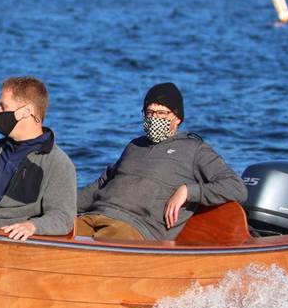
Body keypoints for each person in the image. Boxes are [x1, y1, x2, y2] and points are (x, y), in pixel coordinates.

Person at [75, 82, 247, 242]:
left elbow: (236, 187)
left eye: (162, 113)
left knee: (91, 253)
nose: (154, 118)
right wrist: (61, 203)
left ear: (177, 118)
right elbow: (102, 184)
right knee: (56, 232)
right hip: (94, 215)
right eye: (149, 113)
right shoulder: (134, 145)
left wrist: (189, 191)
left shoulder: (195, 149)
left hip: (134, 228)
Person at [0, 76, 76, 240]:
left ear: (26, 111)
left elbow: (63, 217)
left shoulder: (57, 162)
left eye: (3, 107)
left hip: (13, 240)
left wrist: (33, 226)